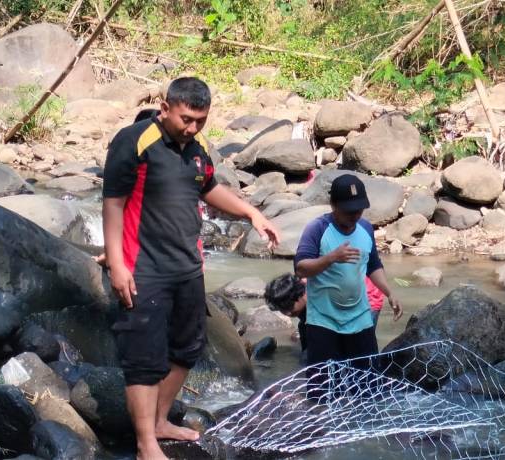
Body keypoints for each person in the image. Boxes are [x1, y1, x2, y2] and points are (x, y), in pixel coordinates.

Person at [102, 76, 280, 460]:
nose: (193, 127)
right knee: (144, 359)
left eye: (201, 120)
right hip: (144, 268)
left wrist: (251, 212)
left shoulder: (197, 148)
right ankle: (146, 444)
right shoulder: (134, 142)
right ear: (165, 108)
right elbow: (113, 203)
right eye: (185, 119)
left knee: (186, 349)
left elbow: (208, 187)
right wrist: (116, 263)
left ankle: (161, 420)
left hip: (188, 268)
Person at [293, 174, 402, 367]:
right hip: (323, 321)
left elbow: (373, 266)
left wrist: (390, 292)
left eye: (358, 210)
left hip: (360, 319)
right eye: (348, 211)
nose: (354, 216)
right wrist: (331, 258)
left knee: (365, 384)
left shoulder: (366, 228)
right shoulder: (317, 229)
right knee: (323, 389)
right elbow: (301, 269)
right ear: (333, 205)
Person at [264, 272, 386, 365]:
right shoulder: (301, 293)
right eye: (282, 309)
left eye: (289, 307)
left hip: (365, 298)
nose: (288, 313)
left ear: (301, 295)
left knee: (355, 351)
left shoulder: (325, 293)